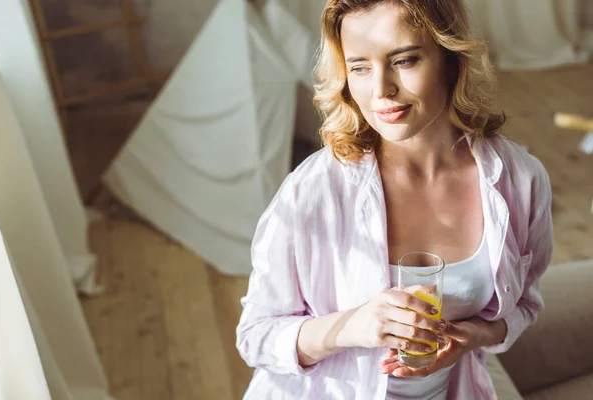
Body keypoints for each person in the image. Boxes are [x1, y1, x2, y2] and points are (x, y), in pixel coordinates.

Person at [236, 0, 553, 398]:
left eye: (404, 60)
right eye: (360, 67)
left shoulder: (520, 180)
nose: (381, 90)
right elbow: (255, 336)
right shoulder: (311, 191)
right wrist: (352, 327)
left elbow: (524, 306)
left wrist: (471, 335)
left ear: (451, 60)